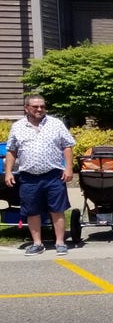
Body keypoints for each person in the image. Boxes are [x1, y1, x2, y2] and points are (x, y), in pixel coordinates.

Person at [3, 94, 76, 256]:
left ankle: (60, 242)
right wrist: (8, 172)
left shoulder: (55, 124)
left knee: (57, 209)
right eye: (35, 106)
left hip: (54, 175)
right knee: (32, 211)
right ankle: (37, 243)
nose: (39, 109)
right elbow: (11, 150)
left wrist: (69, 168)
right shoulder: (18, 126)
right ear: (26, 108)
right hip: (28, 177)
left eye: (42, 106)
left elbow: (67, 146)